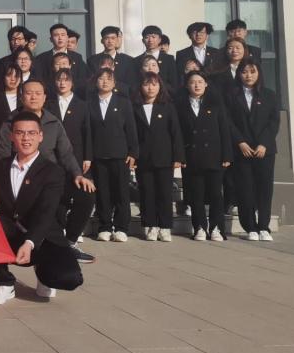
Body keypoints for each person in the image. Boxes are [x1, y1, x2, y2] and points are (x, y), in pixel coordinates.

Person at [0, 111, 83, 305]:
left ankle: (43, 272)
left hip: (43, 236)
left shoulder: (53, 171)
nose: (26, 138)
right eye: (20, 133)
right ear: (11, 136)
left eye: (31, 133)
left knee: (69, 278)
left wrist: (30, 242)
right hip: (11, 232)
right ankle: (3, 281)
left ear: (40, 136)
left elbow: (46, 212)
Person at [0, 79, 97, 261]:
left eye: (38, 93)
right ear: (21, 97)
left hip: (51, 179)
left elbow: (66, 153)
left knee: (85, 193)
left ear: (44, 97)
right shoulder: (11, 122)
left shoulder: (53, 122)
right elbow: (1, 156)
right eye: (28, 93)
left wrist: (77, 174)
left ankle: (70, 242)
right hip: (23, 181)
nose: (33, 97)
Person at [227, 59, 280, 241]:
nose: (248, 75)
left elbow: (274, 122)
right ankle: (250, 226)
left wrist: (264, 143)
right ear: (239, 74)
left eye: (252, 71)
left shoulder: (269, 95)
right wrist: (240, 142)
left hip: (264, 150)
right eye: (244, 72)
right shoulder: (231, 95)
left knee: (264, 189)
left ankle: (263, 226)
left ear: (259, 74)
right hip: (242, 149)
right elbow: (228, 121)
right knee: (245, 189)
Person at [177, 71, 233, 241]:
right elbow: (178, 134)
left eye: (200, 81)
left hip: (214, 155)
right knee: (196, 195)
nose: (197, 85)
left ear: (206, 84)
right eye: (193, 82)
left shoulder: (215, 104)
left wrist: (227, 155)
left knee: (216, 194)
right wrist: (180, 156)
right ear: (187, 85)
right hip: (192, 156)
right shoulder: (180, 105)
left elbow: (224, 130)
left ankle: (217, 228)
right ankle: (199, 227)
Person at [88, 68, 138, 242]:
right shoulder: (90, 102)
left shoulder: (123, 102)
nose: (104, 82)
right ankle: (105, 226)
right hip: (98, 155)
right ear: (96, 82)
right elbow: (88, 131)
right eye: (101, 78)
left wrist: (133, 152)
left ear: (114, 83)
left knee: (121, 192)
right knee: (103, 193)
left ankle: (122, 227)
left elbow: (131, 128)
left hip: (120, 154)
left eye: (108, 79)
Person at [133, 73, 185, 242]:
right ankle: (150, 226)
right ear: (141, 87)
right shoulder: (135, 107)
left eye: (154, 84)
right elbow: (132, 134)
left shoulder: (167, 107)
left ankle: (165, 226)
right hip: (143, 158)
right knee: (147, 193)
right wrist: (133, 155)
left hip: (164, 157)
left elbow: (176, 132)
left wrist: (178, 157)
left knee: (164, 193)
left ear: (160, 87)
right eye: (147, 84)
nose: (150, 88)